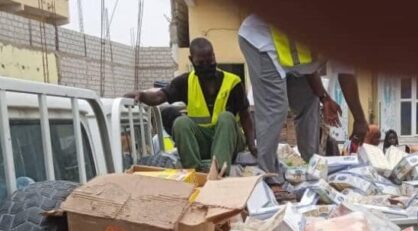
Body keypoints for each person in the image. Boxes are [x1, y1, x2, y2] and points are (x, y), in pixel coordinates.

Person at [238, 15, 369, 183]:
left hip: (288, 56)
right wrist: (360, 120)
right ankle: (268, 176)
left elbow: (307, 64)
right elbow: (346, 75)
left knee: (309, 101)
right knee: (275, 108)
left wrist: (324, 98)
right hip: (260, 42)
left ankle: (313, 167)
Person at [127, 37, 256, 172]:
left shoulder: (233, 82)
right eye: (201, 62)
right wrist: (142, 95)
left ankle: (219, 172)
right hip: (202, 143)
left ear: (214, 56)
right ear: (191, 59)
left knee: (226, 117)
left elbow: (245, 116)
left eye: (210, 60)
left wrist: (251, 144)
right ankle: (195, 172)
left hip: (229, 142)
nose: (206, 66)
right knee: (181, 122)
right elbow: (159, 96)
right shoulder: (185, 82)